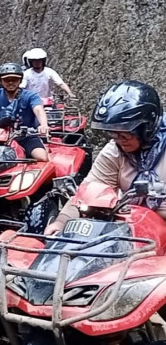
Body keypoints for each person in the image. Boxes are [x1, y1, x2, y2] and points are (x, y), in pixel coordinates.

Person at [46, 81, 166, 235]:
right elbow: (89, 191)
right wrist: (61, 222)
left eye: (124, 131)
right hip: (133, 226)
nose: (118, 138)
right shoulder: (115, 150)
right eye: (111, 132)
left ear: (147, 127)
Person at [0, 62, 50, 161]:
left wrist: (43, 125)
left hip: (26, 136)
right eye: (7, 80)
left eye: (14, 79)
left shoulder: (31, 96)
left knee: (41, 157)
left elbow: (39, 110)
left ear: (20, 80)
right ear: (0, 81)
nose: (11, 82)